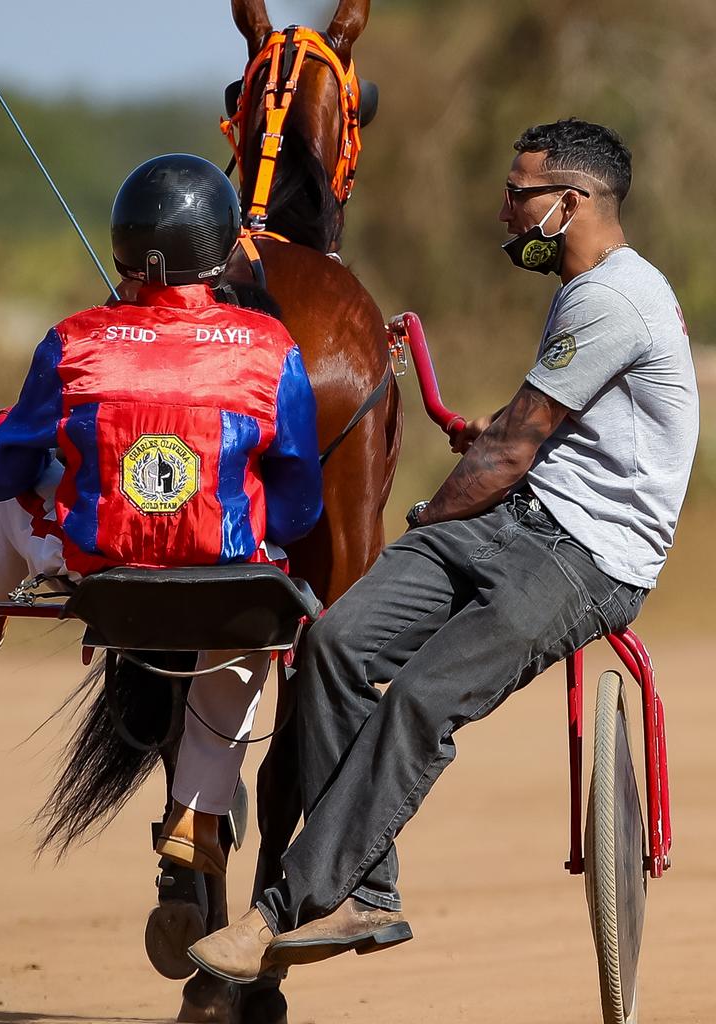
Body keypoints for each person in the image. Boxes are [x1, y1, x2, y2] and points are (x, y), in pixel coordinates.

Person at [186, 118, 700, 983]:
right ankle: (370, 892)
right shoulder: (586, 287)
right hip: (521, 516)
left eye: (517, 193)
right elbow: (525, 431)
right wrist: (473, 482)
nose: (503, 210)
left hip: (589, 557)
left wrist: (428, 518)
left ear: (568, 204)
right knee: (336, 644)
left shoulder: (614, 298)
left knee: (422, 696)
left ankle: (282, 907)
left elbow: (511, 448)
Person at [0, 153, 323, 876]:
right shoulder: (275, 349)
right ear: (221, 256)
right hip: (226, 578)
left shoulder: (71, 339)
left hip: (100, 571)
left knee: (10, 489)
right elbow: (300, 507)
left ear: (122, 247)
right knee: (249, 613)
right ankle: (197, 812)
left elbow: (0, 469)